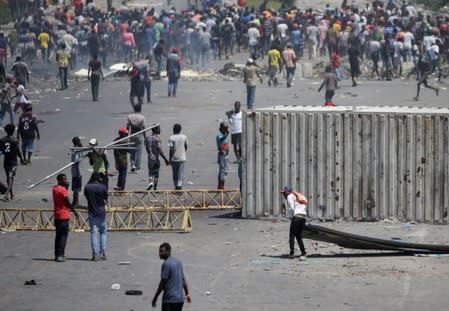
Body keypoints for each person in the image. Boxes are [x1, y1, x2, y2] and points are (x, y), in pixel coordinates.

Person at [152, 242, 191, 310]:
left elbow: (163, 283)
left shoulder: (166, 264)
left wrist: (155, 297)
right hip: (179, 300)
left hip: (169, 300)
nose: (160, 254)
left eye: (162, 252)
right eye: (159, 251)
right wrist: (187, 294)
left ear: (168, 251)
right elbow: (183, 280)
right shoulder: (178, 262)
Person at [53, 173, 79, 262]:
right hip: (63, 215)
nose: (66, 180)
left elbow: (62, 197)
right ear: (60, 180)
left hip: (57, 215)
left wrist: (66, 187)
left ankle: (57, 254)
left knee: (58, 236)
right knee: (63, 236)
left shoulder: (55, 188)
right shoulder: (62, 190)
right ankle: (60, 255)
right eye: (64, 179)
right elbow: (67, 202)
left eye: (66, 178)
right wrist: (75, 211)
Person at [84, 172, 108, 261]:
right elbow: (106, 197)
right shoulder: (103, 187)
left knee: (94, 234)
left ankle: (95, 254)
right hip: (102, 213)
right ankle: (103, 253)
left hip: (92, 213)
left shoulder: (87, 187)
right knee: (103, 233)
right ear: (99, 179)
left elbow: (86, 196)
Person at [281, 185, 308, 260]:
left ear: (288, 192)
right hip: (303, 217)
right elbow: (304, 204)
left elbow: (292, 208)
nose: (284, 194)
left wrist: (290, 216)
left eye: (284, 192)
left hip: (296, 217)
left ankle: (292, 253)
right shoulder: (299, 195)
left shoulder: (290, 196)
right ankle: (303, 252)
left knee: (292, 235)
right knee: (298, 235)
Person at [0, 124, 24, 201]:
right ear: (13, 131)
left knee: (8, 178)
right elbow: (18, 151)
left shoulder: (2, 140)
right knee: (11, 178)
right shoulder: (15, 140)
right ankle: (7, 193)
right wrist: (21, 159)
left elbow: (1, 150)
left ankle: (12, 194)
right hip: (13, 162)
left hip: (6, 161)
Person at [145, 125, 169, 191]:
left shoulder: (147, 138)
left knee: (150, 172)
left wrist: (149, 154)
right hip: (156, 158)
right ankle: (155, 187)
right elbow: (159, 149)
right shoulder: (158, 138)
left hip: (150, 158)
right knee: (156, 173)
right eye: (159, 129)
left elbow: (147, 148)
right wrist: (165, 159)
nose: (160, 130)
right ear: (155, 130)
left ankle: (150, 183)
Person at [126, 104, 146, 173]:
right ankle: (137, 168)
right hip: (139, 135)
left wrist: (126, 136)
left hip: (132, 135)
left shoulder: (130, 117)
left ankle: (132, 165)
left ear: (134, 109)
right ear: (140, 109)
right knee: (139, 152)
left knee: (132, 152)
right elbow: (143, 128)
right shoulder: (142, 117)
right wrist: (145, 137)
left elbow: (127, 127)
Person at [169, 123, 188, 190]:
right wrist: (182, 152)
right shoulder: (184, 137)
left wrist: (169, 159)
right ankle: (179, 186)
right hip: (182, 158)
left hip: (174, 158)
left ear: (174, 130)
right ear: (180, 130)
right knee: (181, 173)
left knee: (175, 174)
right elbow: (186, 146)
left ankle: (176, 186)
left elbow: (171, 149)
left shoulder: (171, 138)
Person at [216, 122, 229, 190]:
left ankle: (220, 185)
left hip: (225, 153)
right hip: (222, 153)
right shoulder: (219, 134)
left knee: (223, 169)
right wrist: (226, 134)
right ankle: (221, 186)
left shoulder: (222, 133)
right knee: (223, 169)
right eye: (225, 129)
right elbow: (221, 139)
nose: (226, 130)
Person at [71, 136, 83, 207]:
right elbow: (77, 162)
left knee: (76, 188)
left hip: (75, 172)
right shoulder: (76, 150)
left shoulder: (75, 149)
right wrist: (78, 173)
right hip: (77, 172)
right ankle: (76, 203)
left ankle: (74, 202)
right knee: (76, 188)